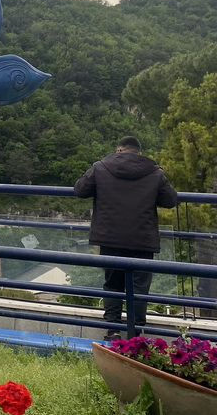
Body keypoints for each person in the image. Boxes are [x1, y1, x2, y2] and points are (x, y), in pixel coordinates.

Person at [74, 136, 177, 338]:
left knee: (112, 284)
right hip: (142, 240)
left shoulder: (101, 166)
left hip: (110, 238)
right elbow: (170, 200)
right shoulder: (155, 172)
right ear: (138, 151)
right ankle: (135, 335)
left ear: (119, 150)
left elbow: (80, 190)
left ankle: (113, 330)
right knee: (139, 289)